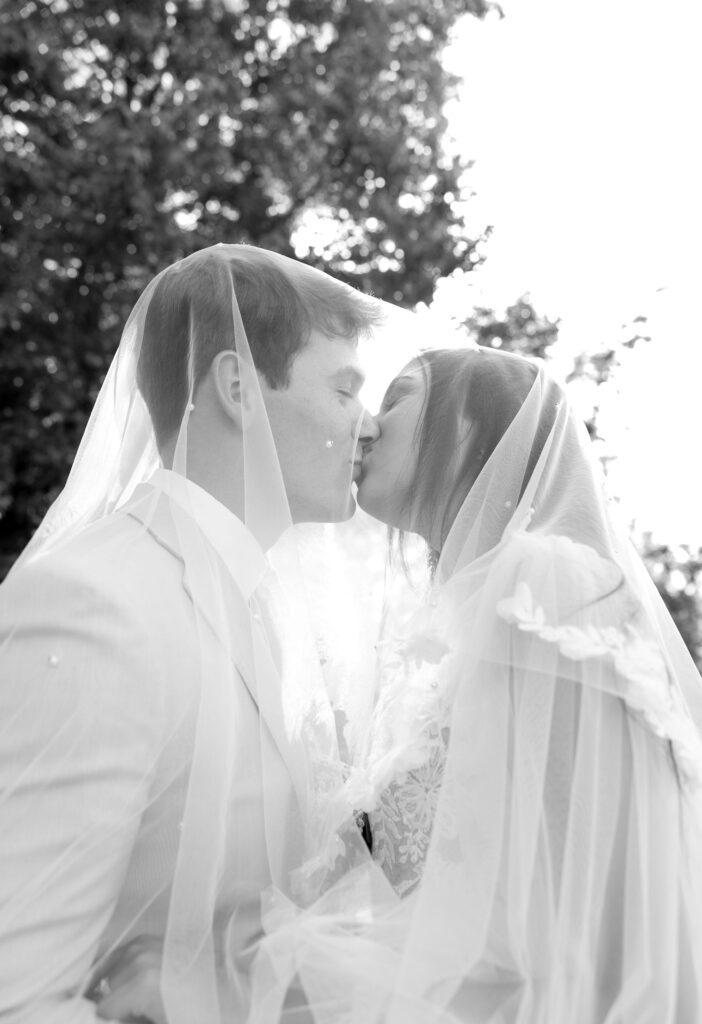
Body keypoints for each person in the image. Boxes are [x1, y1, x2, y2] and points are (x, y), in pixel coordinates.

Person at [237, 345, 702, 1024]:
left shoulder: (544, 584)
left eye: (396, 398)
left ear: (465, 429)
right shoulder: (462, 622)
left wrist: (268, 970)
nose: (367, 425)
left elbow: (559, 911)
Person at [0, 243, 391, 1024]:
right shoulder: (96, 605)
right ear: (238, 385)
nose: (370, 424)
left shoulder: (266, 612)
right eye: (345, 388)